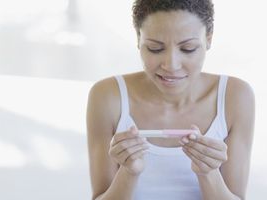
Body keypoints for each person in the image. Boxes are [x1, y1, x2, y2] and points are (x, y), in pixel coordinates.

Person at [86, 0, 255, 199]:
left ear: (208, 39)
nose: (171, 65)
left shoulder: (235, 96)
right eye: (155, 49)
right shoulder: (107, 96)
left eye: (188, 48)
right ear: (139, 39)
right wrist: (129, 172)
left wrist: (208, 173)